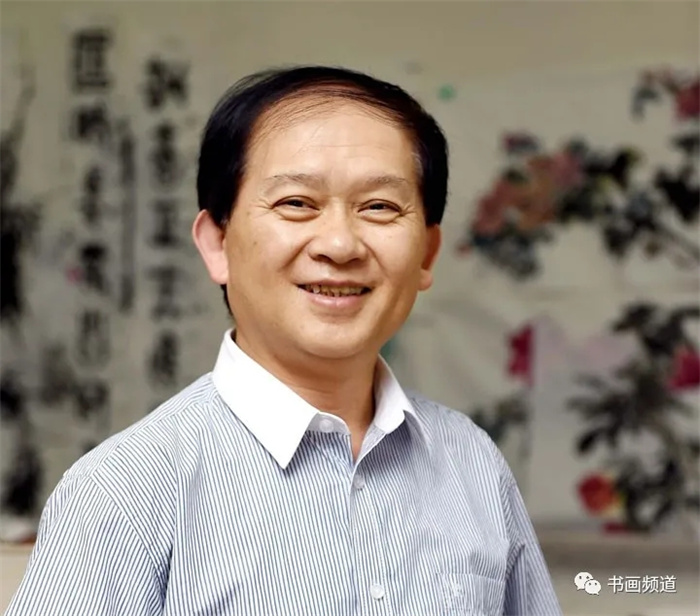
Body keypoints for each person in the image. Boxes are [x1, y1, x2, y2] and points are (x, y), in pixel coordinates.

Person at [6, 65, 562, 615]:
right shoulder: (123, 492)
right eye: (296, 203)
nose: (340, 245)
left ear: (427, 254)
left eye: (379, 207)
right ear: (217, 243)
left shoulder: (472, 462)